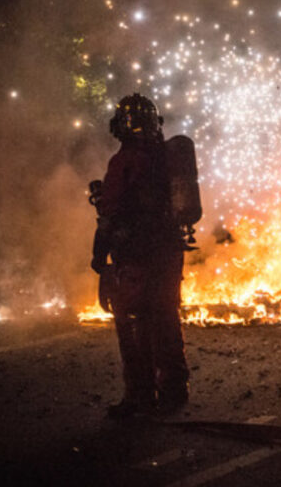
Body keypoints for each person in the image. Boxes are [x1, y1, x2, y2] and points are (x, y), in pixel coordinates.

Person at [90, 94, 190, 418]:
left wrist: (99, 252)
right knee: (165, 316)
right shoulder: (167, 159)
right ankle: (175, 389)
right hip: (169, 252)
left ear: (120, 126)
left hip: (135, 255)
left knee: (132, 323)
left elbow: (110, 212)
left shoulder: (124, 161)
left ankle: (139, 396)